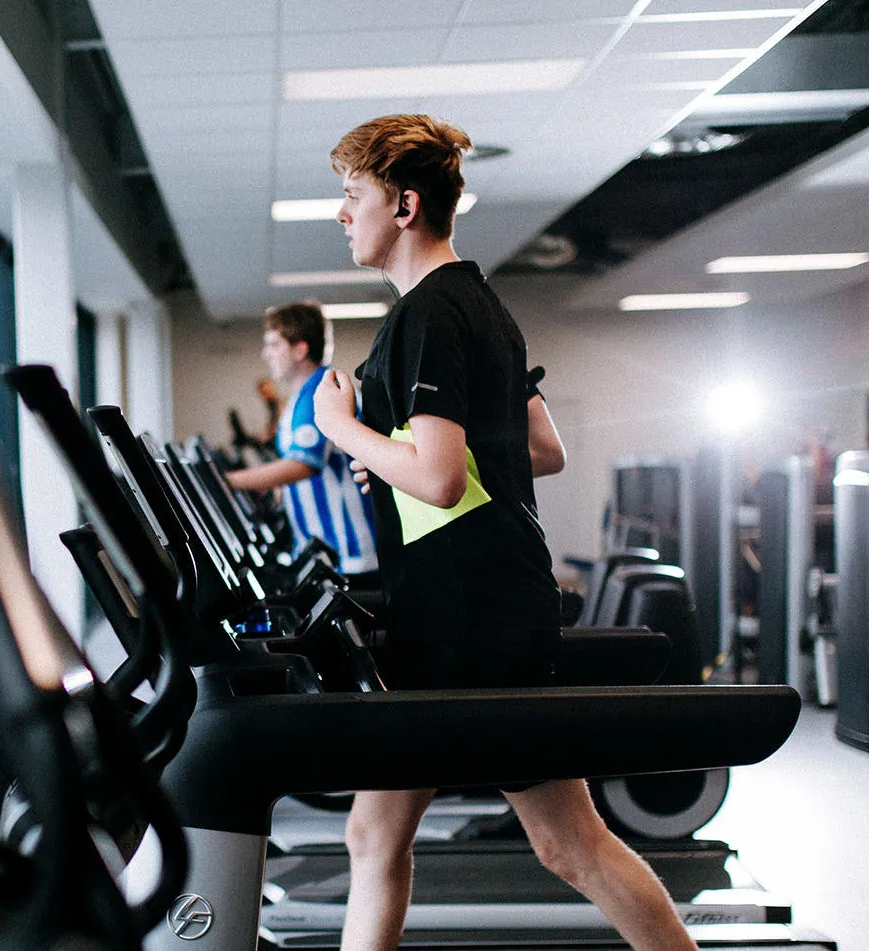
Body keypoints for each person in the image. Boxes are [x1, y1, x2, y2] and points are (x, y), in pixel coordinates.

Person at [309, 113, 696, 951]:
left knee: (569, 842)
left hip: (469, 620)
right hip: (464, 606)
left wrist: (341, 427)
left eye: (352, 196)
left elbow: (444, 481)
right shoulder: (481, 304)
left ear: (403, 204)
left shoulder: (425, 316)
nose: (343, 214)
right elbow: (538, 451)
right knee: (378, 835)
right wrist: (399, 452)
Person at [225, 300, 380, 577]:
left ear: (300, 348)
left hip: (349, 552)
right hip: (329, 552)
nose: (266, 354)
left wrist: (227, 482)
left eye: (274, 345)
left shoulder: (319, 393)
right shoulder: (304, 396)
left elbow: (303, 465)